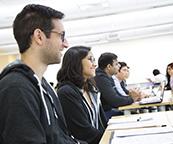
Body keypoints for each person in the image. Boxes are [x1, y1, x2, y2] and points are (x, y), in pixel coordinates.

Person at [0, 4, 85, 144]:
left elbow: (59, 138)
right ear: (39, 36)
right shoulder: (16, 88)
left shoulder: (43, 85)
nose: (66, 44)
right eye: (62, 36)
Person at [57, 46, 107, 144]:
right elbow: (83, 132)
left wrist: (110, 135)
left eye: (94, 60)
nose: (95, 64)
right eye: (90, 59)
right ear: (76, 62)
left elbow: (102, 121)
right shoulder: (66, 92)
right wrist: (108, 139)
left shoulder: (91, 88)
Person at [94, 52, 141, 119]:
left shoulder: (108, 77)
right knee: (134, 115)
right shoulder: (101, 78)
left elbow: (118, 96)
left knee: (135, 114)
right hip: (105, 114)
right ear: (109, 67)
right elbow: (115, 101)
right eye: (116, 64)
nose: (119, 66)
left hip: (109, 110)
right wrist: (132, 99)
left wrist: (133, 97)